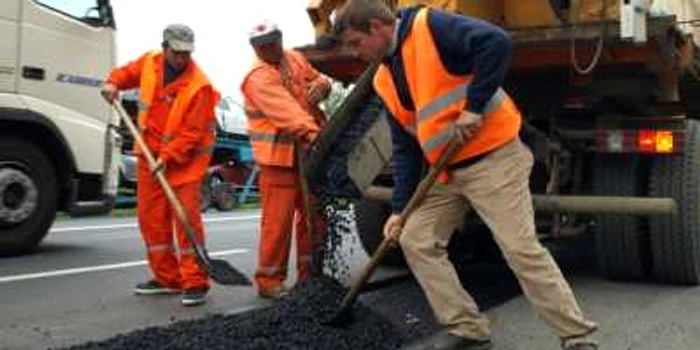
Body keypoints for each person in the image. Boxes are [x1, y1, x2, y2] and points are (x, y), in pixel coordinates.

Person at [333, 1, 599, 349]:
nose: (355, 53)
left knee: (519, 248)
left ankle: (575, 335)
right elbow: (405, 148)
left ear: (377, 27)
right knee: (415, 238)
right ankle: (468, 329)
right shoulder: (384, 78)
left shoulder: (429, 26)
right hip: (447, 172)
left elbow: (497, 43)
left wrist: (473, 108)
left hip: (495, 159)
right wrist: (399, 210)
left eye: (356, 42)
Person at [101, 24, 220, 307]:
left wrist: (167, 157)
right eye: (176, 52)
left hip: (184, 163)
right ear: (165, 47)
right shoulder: (149, 63)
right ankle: (167, 278)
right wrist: (112, 82)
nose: (182, 58)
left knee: (185, 221)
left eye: (186, 53)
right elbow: (124, 73)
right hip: (148, 157)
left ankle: (195, 281)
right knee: (151, 219)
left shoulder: (199, 86)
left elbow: (192, 134)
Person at [240, 21, 331, 299]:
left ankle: (310, 274)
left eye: (274, 42)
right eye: (263, 45)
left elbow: (318, 78)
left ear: (281, 39)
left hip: (306, 154)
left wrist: (322, 85)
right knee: (277, 225)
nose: (270, 48)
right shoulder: (258, 77)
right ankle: (269, 281)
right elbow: (290, 115)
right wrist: (320, 138)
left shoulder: (294, 58)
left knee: (315, 217)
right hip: (278, 161)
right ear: (255, 48)